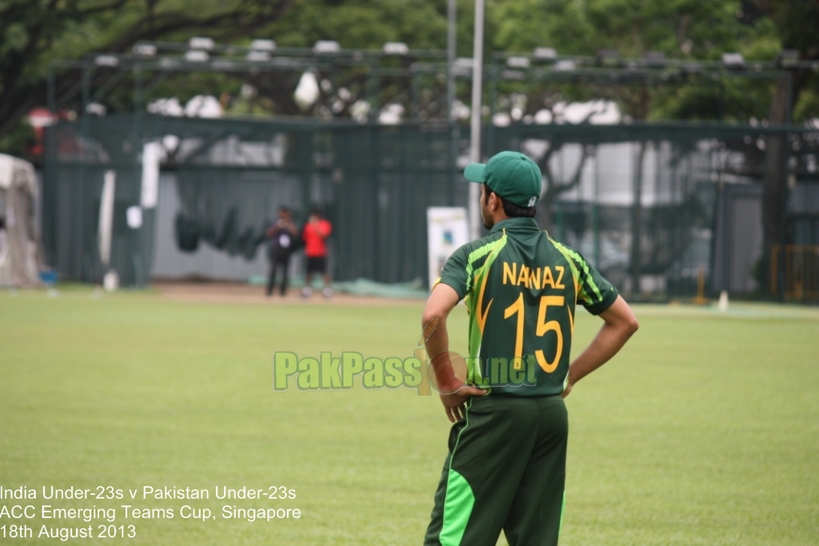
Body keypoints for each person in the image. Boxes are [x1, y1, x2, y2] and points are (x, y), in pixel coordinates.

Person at [421, 151, 639, 546]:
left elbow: (432, 316)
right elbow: (625, 321)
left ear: (492, 199)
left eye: (482, 189)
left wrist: (446, 381)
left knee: (450, 540)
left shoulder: (476, 254)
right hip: (551, 417)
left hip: (495, 415)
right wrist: (568, 374)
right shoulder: (569, 259)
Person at [265, 206, 299, 296]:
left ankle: (283, 292)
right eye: (282, 213)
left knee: (285, 272)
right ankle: (270, 291)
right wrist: (278, 226)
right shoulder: (275, 222)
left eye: (285, 213)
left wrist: (288, 224)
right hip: (277, 249)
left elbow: (295, 233)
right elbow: (268, 234)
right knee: (273, 270)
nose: (283, 215)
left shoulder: (290, 223)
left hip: (286, 250)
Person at [301, 206, 333, 298]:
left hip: (320, 253)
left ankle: (327, 291)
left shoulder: (325, 224)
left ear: (319, 215)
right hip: (310, 253)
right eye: (312, 214)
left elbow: (324, 235)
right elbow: (304, 238)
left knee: (324, 272)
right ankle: (307, 291)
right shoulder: (307, 225)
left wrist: (315, 225)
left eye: (315, 214)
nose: (313, 216)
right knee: (309, 273)